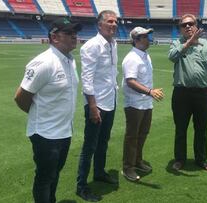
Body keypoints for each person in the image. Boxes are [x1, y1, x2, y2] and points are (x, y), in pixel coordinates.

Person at [14, 17, 82, 203]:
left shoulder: (70, 60)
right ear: (54, 37)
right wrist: (39, 115)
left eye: (75, 32)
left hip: (64, 132)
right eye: (68, 33)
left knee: (54, 174)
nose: (74, 36)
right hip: (45, 134)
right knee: (44, 178)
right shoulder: (44, 62)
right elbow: (21, 97)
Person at [76, 10, 118, 202]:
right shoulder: (92, 46)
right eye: (109, 21)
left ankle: (99, 172)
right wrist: (92, 107)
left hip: (110, 100)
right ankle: (81, 186)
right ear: (99, 25)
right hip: (97, 104)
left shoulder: (113, 43)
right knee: (89, 147)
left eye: (115, 22)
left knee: (103, 142)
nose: (113, 24)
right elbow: (87, 79)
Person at [168, 14, 207, 172]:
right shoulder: (176, 43)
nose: (188, 26)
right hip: (182, 93)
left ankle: (201, 159)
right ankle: (180, 159)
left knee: (201, 129)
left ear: (196, 25)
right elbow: (173, 57)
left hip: (202, 94)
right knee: (180, 129)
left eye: (191, 24)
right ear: (180, 29)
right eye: (184, 25)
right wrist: (189, 42)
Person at [121, 27, 164, 181]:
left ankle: (137, 161)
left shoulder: (146, 55)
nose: (148, 38)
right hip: (134, 104)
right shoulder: (132, 58)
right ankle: (128, 168)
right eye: (145, 36)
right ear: (136, 39)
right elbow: (130, 81)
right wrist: (150, 92)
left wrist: (149, 94)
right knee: (132, 137)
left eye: (148, 35)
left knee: (142, 134)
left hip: (146, 103)